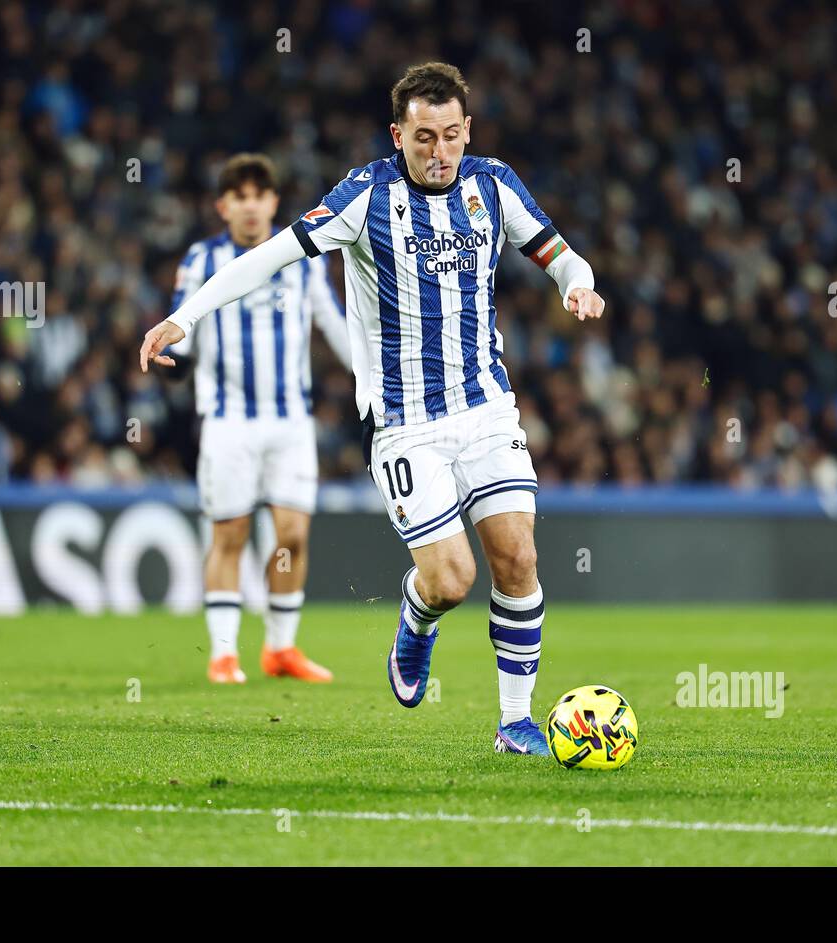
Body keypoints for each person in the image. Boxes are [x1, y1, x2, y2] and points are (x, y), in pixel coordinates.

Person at [142, 63, 603, 753]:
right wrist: (186, 316)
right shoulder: (365, 195)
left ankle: (514, 721)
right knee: (452, 579)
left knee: (517, 557)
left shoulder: (494, 185)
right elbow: (268, 257)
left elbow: (562, 256)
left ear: (467, 130)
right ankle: (418, 616)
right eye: (424, 138)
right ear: (399, 135)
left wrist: (577, 286)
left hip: (486, 409)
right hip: (403, 423)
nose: (439, 152)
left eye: (451, 135)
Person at [167, 154, 351, 684]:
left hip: (291, 421)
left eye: (260, 195)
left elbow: (333, 324)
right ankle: (223, 654)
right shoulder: (203, 258)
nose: (251, 206)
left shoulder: (303, 257)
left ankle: (280, 649)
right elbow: (185, 321)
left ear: (273, 202)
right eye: (239, 197)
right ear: (224, 207)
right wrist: (172, 363)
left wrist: (369, 379)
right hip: (228, 422)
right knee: (230, 532)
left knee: (292, 535)